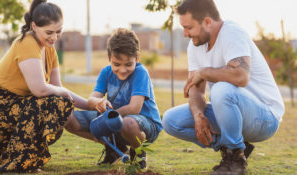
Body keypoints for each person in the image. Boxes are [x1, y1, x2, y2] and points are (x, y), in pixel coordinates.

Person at [0, 0, 89, 173]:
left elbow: (57, 87)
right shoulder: (26, 43)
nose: (54, 38)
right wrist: (63, 93)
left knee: (59, 102)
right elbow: (39, 89)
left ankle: (22, 157)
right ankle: (24, 160)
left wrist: (90, 103)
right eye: (49, 32)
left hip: (16, 110)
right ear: (34, 26)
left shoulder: (49, 49)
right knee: (55, 103)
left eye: (58, 32)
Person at [162, 0, 285, 174]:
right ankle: (235, 149)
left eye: (189, 27)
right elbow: (195, 90)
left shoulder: (232, 32)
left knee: (220, 90)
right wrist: (198, 115)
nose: (184, 34)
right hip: (231, 112)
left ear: (207, 22)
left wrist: (204, 71)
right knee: (171, 120)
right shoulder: (195, 45)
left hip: (265, 117)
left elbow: (241, 76)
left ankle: (236, 159)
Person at [64, 28, 163, 170]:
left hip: (144, 123)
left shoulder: (141, 72)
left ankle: (138, 151)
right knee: (67, 118)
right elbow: (91, 100)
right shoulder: (106, 72)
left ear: (137, 58)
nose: (122, 70)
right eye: (116, 64)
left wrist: (104, 121)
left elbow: (134, 108)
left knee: (128, 123)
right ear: (109, 58)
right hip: (113, 119)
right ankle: (115, 148)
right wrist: (99, 102)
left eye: (128, 64)